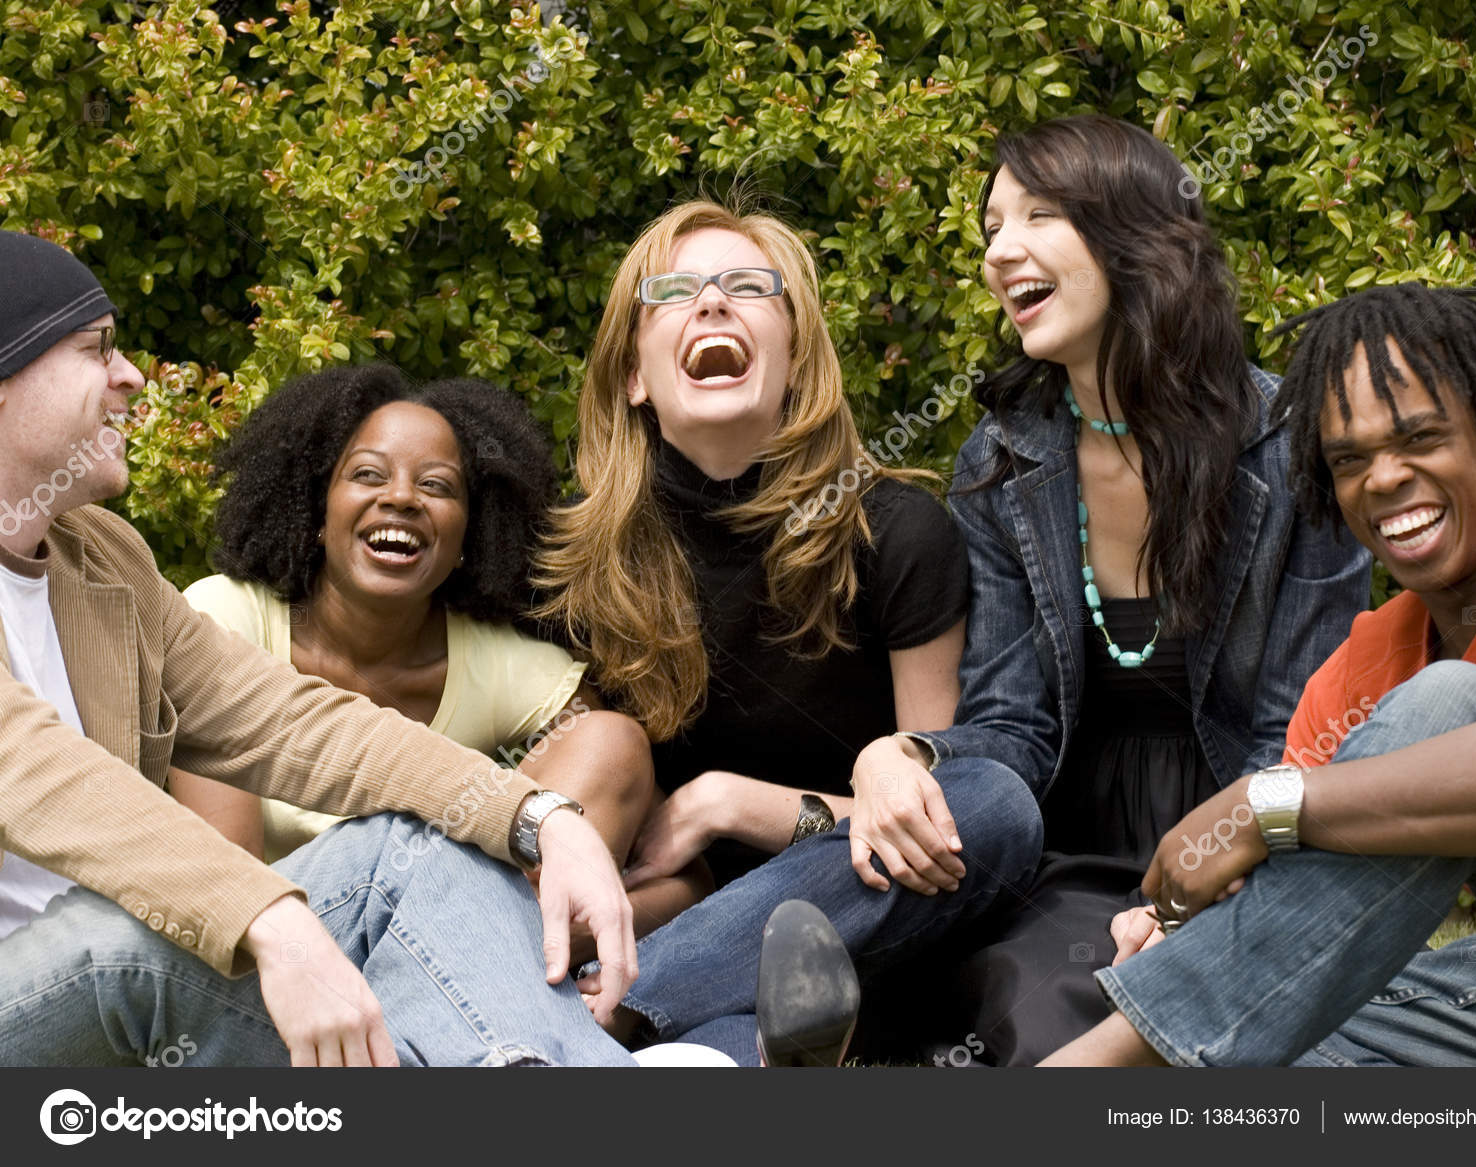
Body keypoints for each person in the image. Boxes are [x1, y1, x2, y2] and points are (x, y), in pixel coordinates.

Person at [0, 228, 639, 1067]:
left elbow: (290, 722)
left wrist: (535, 817)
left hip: (115, 987)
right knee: (134, 939)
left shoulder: (103, 559)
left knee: (420, 844)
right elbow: (40, 775)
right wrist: (271, 915)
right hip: (48, 987)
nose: (128, 377)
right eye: (95, 350)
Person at [850, 115, 1371, 1065]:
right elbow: (1015, 724)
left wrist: (1194, 891)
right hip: (1067, 859)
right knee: (1019, 1005)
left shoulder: (1290, 450)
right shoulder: (1005, 460)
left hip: (1250, 842)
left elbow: (1305, 732)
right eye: (991, 227)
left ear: (1135, 231)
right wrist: (906, 750)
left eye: (1038, 214)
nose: (1000, 250)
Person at [533, 199, 1044, 1064]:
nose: (714, 303)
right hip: (687, 938)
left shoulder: (895, 533)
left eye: (746, 286)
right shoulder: (576, 561)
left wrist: (724, 804)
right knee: (735, 1045)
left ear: (797, 357)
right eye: (678, 291)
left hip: (859, 919)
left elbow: (936, 819)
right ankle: (644, 1015)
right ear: (634, 376)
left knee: (996, 802)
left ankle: (612, 1010)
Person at [1043, 283, 1476, 1067]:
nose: (1382, 478)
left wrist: (1262, 800)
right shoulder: (1369, 663)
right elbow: (1295, 885)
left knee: (1455, 706)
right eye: (1349, 460)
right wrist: (1185, 927)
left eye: (1421, 439)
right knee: (1280, 1025)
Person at [166, 368, 704, 962]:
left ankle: (503, 972)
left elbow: (685, 878)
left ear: (469, 536)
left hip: (455, 958)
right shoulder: (223, 618)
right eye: (368, 474)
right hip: (276, 971)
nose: (400, 497)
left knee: (609, 739)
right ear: (317, 512)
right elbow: (231, 895)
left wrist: (600, 926)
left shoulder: (502, 667)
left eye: (438, 486)